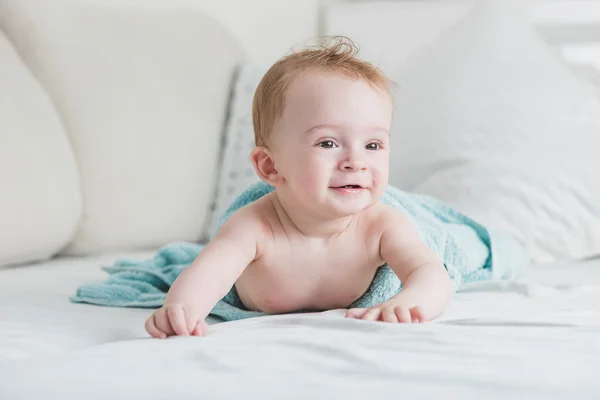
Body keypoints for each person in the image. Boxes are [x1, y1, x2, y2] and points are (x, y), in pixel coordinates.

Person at [145, 37, 452, 338]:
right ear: (270, 166)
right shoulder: (255, 227)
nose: (355, 162)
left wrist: (412, 301)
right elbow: (209, 275)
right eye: (328, 143)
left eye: (373, 144)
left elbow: (429, 272)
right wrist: (182, 309)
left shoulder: (381, 224)